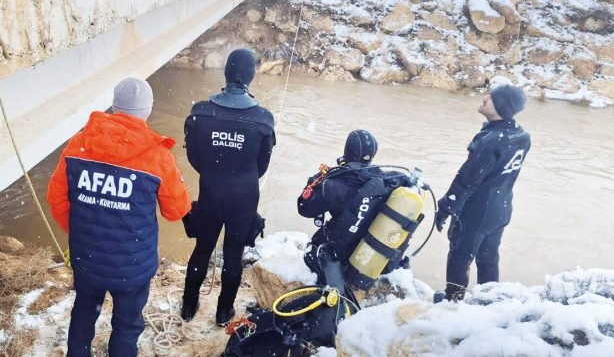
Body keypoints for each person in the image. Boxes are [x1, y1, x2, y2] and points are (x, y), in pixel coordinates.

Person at [47, 77, 191, 357]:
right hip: (132, 266)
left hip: (87, 259)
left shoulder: (78, 144)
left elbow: (56, 199)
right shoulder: (158, 156)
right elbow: (177, 211)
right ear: (148, 110)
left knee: (83, 314)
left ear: (114, 106)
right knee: (127, 326)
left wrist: (79, 235)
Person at [181, 48, 276, 326]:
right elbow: (262, 166)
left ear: (226, 72)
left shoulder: (200, 112)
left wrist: (215, 172)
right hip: (244, 197)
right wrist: (237, 176)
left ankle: (188, 307)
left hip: (211, 191)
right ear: (251, 76)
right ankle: (224, 312)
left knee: (202, 249)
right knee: (233, 255)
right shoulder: (263, 119)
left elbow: (194, 158)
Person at [434, 84, 530, 302]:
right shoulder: (522, 136)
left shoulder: (490, 141)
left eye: (492, 97)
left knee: (460, 256)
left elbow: (467, 181)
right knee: (488, 258)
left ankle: (452, 301)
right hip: (501, 208)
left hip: (477, 212)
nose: (485, 98)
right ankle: (489, 301)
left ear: (503, 107)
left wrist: (446, 206)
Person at [297, 130, 413, 288]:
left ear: (347, 150)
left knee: (315, 245)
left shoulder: (332, 185)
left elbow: (304, 208)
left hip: (342, 250)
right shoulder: (386, 181)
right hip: (368, 245)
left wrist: (316, 179)